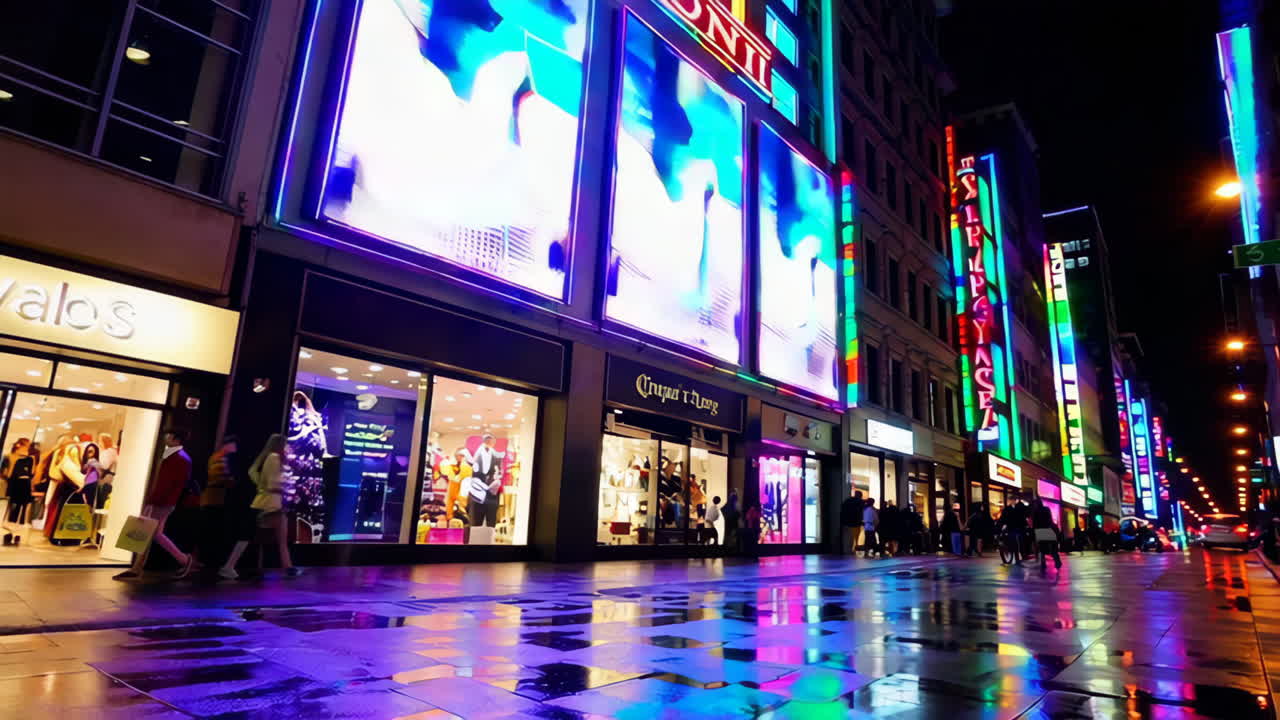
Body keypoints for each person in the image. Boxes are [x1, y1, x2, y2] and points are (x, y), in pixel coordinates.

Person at [114, 430, 196, 581]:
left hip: (162, 502)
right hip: (161, 501)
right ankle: (138, 567)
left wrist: (153, 500)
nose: (166, 437)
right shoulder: (174, 456)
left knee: (151, 532)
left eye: (169, 435)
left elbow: (169, 483)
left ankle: (183, 560)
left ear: (176, 439)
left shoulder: (179, 458)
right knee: (151, 532)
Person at [246, 433, 300, 576]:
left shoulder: (271, 457)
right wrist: (285, 487)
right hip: (270, 503)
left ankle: (288, 567)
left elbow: (252, 472)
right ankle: (287, 567)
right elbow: (273, 483)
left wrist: (260, 485)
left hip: (271, 502)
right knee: (250, 538)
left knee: (278, 537)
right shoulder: (274, 458)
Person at [200, 435, 238, 577]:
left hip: (212, 500)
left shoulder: (217, 457)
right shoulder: (220, 458)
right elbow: (220, 478)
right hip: (214, 500)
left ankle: (208, 562)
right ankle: (209, 563)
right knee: (212, 531)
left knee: (210, 532)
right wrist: (233, 481)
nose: (235, 449)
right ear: (228, 445)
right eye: (234, 445)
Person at [468, 434, 504, 528]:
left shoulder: (497, 457)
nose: (489, 444)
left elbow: (499, 473)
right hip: (477, 493)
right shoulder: (475, 455)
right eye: (487, 441)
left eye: (491, 442)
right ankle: (474, 541)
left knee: (491, 521)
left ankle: (489, 541)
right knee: (476, 522)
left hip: (492, 494)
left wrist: (497, 480)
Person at [1032, 499, 1062, 569]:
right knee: (1053, 546)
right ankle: (1057, 561)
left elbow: (1035, 523)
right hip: (1048, 529)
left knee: (1042, 548)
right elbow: (1050, 519)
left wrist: (1034, 532)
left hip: (1040, 530)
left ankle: (1043, 563)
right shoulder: (1046, 509)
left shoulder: (1035, 511)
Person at [1001, 499, 1029, 563]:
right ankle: (1019, 555)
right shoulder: (1015, 508)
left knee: (1017, 541)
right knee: (1018, 541)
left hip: (1014, 527)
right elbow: (1023, 516)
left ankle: (1019, 555)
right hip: (1015, 527)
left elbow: (1004, 518)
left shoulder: (1009, 509)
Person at [841, 491, 864, 555]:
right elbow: (861, 512)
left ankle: (847, 550)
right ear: (860, 496)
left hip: (846, 522)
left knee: (848, 537)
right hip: (855, 523)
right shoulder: (860, 502)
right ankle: (854, 549)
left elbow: (843, 510)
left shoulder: (847, 501)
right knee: (856, 537)